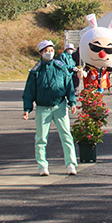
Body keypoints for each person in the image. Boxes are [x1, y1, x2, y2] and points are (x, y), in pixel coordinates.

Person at [22, 40, 78, 177]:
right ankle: (42, 166)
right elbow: (29, 91)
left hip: (60, 105)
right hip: (43, 108)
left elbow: (68, 84)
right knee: (41, 138)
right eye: (46, 51)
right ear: (41, 53)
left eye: (51, 50)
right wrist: (27, 108)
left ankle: (71, 164)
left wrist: (72, 102)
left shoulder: (61, 67)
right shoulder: (36, 71)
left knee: (66, 136)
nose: (49, 53)